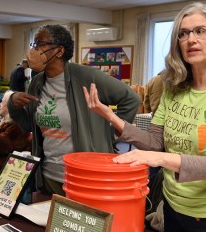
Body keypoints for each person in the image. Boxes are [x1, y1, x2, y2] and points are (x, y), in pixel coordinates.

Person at [83, 2, 206, 232]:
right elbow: (155, 142)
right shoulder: (174, 89)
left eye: (200, 31)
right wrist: (111, 117)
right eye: (183, 33)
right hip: (175, 208)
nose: (191, 39)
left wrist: (159, 159)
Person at [8, 24, 140, 196]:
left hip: (84, 177)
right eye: (34, 44)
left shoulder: (87, 76)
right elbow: (29, 126)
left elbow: (131, 99)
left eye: (40, 44)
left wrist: (108, 135)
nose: (34, 50)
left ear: (59, 51)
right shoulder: (37, 83)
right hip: (49, 176)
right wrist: (13, 104)